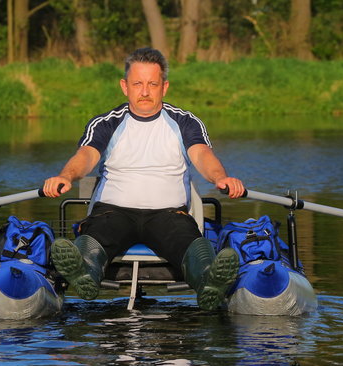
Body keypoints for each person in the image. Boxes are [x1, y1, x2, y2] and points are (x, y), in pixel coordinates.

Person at [42, 47, 245, 311]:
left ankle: (209, 280)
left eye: (153, 84)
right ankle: (84, 274)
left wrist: (221, 178)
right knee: (99, 233)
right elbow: (86, 155)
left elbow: (202, 155)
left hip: (169, 215)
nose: (145, 91)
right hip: (113, 213)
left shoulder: (186, 122)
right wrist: (66, 176)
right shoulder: (106, 123)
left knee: (188, 240)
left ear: (165, 87)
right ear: (125, 87)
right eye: (138, 84)